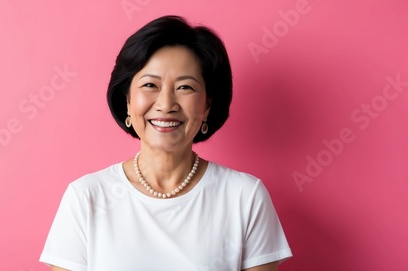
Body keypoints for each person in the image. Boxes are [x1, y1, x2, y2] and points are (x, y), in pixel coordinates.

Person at [40, 15, 292, 271]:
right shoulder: (86, 197)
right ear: (127, 101)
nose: (166, 104)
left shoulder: (244, 197)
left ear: (207, 106)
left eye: (185, 87)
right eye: (150, 84)